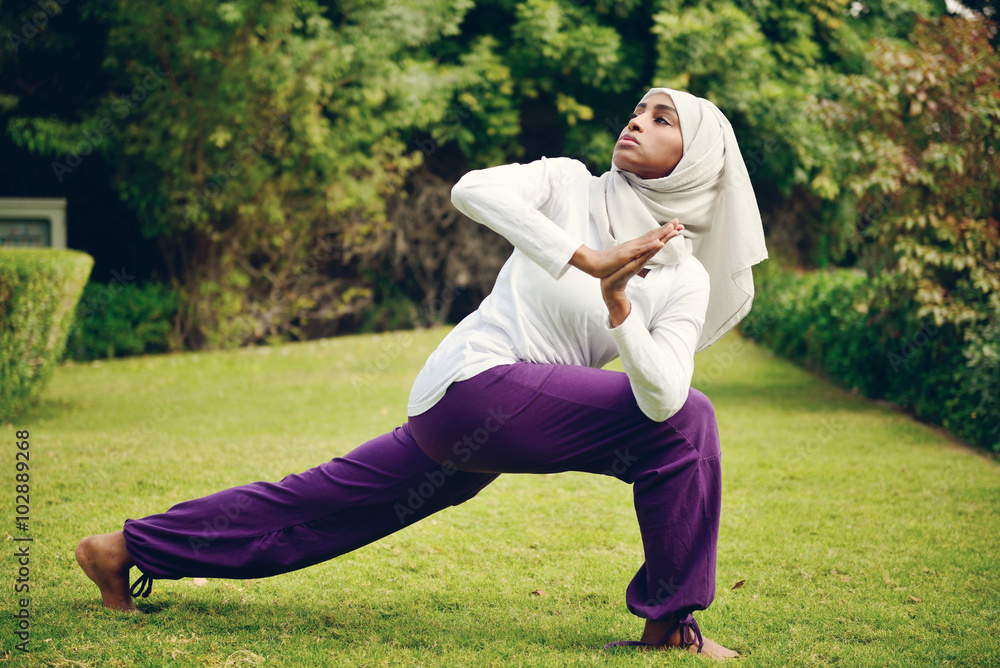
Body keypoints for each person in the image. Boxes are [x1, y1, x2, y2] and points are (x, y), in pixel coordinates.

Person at [76, 87, 767, 660]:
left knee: (320, 509)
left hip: (492, 423)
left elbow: (661, 393)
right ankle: (670, 626)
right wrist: (588, 260)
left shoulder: (685, 280)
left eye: (662, 118)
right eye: (638, 110)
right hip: (473, 389)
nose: (637, 121)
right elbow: (473, 190)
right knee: (691, 424)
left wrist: (619, 305)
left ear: (697, 160)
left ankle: (124, 549)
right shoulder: (565, 184)